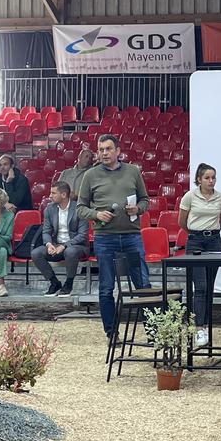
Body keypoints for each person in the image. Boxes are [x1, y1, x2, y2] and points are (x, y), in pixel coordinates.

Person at [77, 134, 152, 339]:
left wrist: (138, 208)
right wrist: (96, 214)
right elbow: (80, 208)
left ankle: (154, 333)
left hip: (131, 236)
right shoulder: (90, 176)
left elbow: (146, 200)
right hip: (104, 238)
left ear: (118, 151)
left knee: (143, 285)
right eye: (101, 150)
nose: (104, 153)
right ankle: (112, 333)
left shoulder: (133, 172)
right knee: (106, 287)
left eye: (108, 149)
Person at [178, 163, 221, 346]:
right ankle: (199, 328)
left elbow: (220, 222)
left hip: (213, 241)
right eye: (207, 177)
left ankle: (206, 325)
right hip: (196, 241)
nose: (211, 181)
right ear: (199, 179)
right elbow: (182, 221)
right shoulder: (190, 196)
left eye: (213, 177)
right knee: (200, 286)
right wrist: (196, 232)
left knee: (210, 285)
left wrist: (210, 232)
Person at [32, 181, 89, 297]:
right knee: (36, 253)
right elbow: (46, 231)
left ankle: (69, 283)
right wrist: (49, 244)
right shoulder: (49, 209)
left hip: (77, 246)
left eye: (53, 193)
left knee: (70, 251)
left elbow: (82, 235)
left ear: (63, 195)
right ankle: (54, 282)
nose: (50, 196)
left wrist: (65, 245)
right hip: (56, 245)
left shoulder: (79, 209)